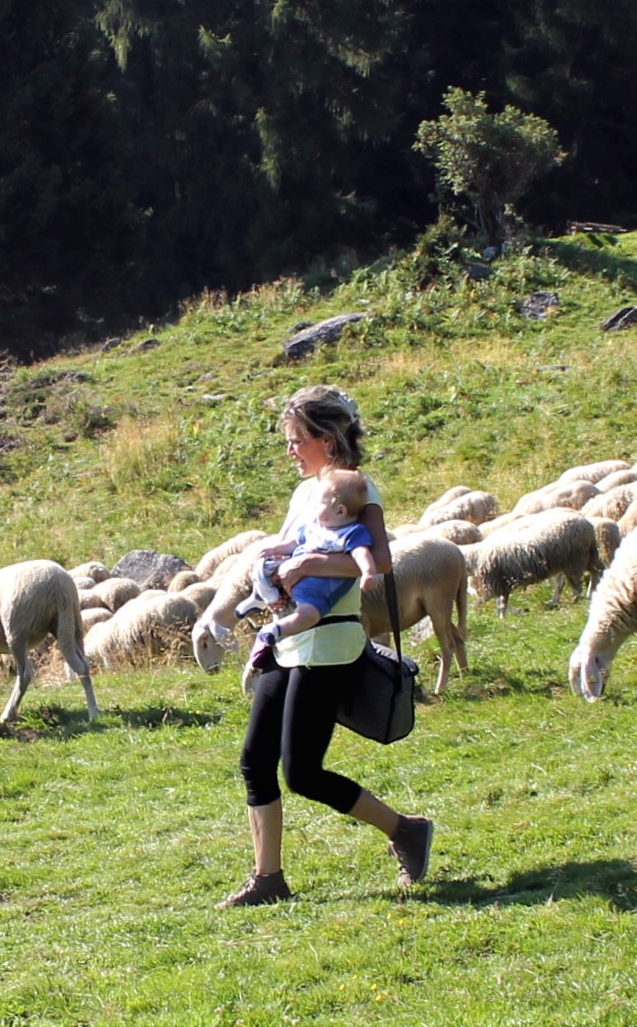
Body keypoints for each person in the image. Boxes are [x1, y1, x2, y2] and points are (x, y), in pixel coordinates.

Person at [222, 385, 434, 907]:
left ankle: (405, 830)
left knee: (302, 773)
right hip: (289, 636)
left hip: (329, 641)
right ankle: (268, 879)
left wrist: (312, 564)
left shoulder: (356, 488)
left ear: (327, 439)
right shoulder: (304, 493)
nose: (289, 450)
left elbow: (379, 560)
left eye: (297, 440)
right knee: (255, 759)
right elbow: (298, 546)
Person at [236, 468, 375, 671]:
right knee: (261, 568)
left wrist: (369, 572)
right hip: (291, 580)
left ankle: (276, 630)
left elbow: (361, 554)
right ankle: (258, 598)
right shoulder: (314, 527)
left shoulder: (351, 533)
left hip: (317, 593)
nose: (314, 508)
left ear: (340, 511)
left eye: (320, 503)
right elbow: (294, 542)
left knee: (308, 615)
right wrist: (276, 549)